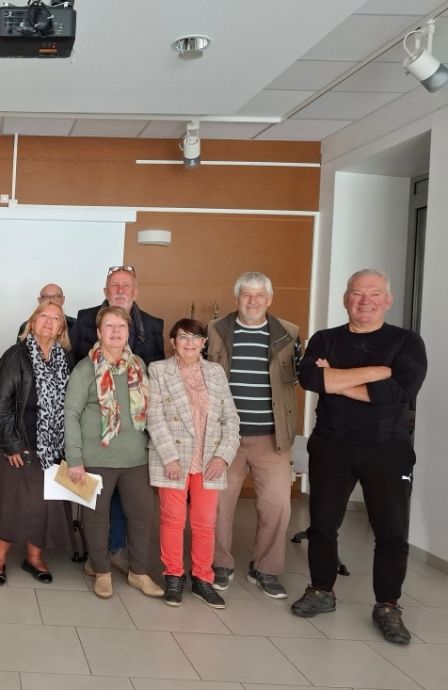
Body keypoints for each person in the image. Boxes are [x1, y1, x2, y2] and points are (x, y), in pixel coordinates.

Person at [290, 269, 426, 645]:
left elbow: (400, 392)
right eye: (356, 293)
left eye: (374, 294)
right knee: (321, 524)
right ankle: (321, 590)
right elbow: (313, 382)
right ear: (345, 298)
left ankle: (387, 604)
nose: (365, 300)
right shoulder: (326, 339)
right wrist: (374, 374)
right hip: (332, 444)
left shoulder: (406, 342)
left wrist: (338, 378)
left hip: (388, 449)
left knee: (391, 531)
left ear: (388, 299)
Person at [208, 272, 303, 599]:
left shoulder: (290, 334)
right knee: (219, 504)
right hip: (225, 437)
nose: (252, 301)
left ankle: (266, 569)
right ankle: (219, 563)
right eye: (246, 295)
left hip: (273, 437)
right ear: (237, 298)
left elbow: (304, 376)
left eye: (259, 295)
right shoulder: (215, 330)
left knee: (277, 506)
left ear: (269, 299)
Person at [71, 265, 165, 577]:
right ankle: (102, 561)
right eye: (115, 285)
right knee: (98, 511)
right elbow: (74, 400)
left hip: (133, 445)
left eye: (126, 286)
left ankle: (120, 552)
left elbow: (155, 385)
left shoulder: (148, 337)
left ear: (135, 292)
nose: (121, 290)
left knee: (135, 509)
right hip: (97, 442)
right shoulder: (85, 336)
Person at [0, 300, 72, 586]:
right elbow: (0, 402)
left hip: (49, 446)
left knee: (44, 503)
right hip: (11, 443)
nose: (48, 321)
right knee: (9, 502)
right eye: (43, 316)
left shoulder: (64, 359)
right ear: (32, 322)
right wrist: (12, 444)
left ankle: (34, 558)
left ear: (61, 329)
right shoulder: (15, 355)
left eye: (56, 318)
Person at [147, 319, 241, 608]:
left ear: (204, 343)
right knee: (172, 520)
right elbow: (155, 417)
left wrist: (223, 455)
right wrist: (170, 457)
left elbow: (231, 418)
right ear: (173, 342)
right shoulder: (159, 370)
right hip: (173, 459)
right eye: (183, 337)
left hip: (209, 460)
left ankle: (203, 578)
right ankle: (173, 576)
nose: (190, 343)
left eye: (196, 337)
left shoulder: (215, 373)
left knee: (205, 523)